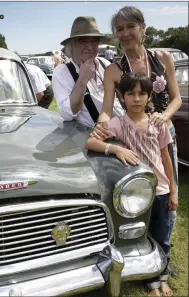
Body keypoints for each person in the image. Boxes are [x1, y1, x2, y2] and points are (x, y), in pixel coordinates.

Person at [91, 6, 182, 277]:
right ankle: (141, 253)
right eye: (119, 29)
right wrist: (100, 127)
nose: (125, 33)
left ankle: (164, 255)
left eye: (130, 27)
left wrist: (163, 116)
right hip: (133, 138)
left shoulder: (164, 57)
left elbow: (176, 98)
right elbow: (107, 109)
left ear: (143, 27)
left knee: (167, 195)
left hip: (164, 134)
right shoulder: (114, 70)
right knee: (139, 198)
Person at [86, 72, 178, 297]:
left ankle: (161, 277)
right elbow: (90, 141)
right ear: (122, 96)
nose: (136, 98)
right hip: (135, 196)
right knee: (142, 236)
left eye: (142, 93)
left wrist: (174, 192)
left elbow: (166, 159)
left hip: (162, 190)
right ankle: (150, 281)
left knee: (163, 236)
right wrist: (116, 148)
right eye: (130, 93)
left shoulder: (159, 123)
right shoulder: (117, 124)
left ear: (149, 97)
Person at [52, 16, 125, 128]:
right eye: (83, 41)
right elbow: (67, 114)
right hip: (96, 136)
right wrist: (82, 80)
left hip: (123, 127)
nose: (90, 47)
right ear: (72, 44)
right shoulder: (62, 72)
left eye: (94, 41)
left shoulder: (104, 63)